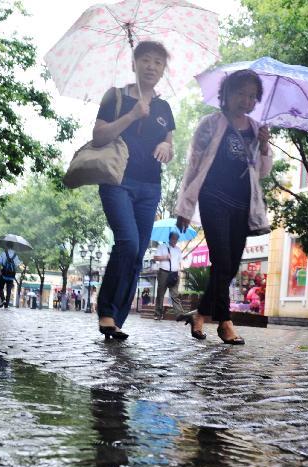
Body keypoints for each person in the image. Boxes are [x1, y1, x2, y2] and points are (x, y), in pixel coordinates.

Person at [175, 69, 273, 345]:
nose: (246, 100)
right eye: (240, 93)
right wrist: (184, 206)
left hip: (243, 204)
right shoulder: (210, 124)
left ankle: (201, 314)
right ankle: (225, 322)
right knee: (223, 261)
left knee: (229, 266)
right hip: (213, 197)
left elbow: (263, 172)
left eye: (252, 96)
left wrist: (264, 146)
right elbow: (193, 165)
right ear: (226, 94)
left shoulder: (256, 129)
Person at [92, 40, 175, 340]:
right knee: (127, 243)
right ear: (134, 63)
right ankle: (106, 312)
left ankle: (116, 318)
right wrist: (131, 116)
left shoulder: (164, 107)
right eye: (146, 60)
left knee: (138, 253)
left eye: (158, 62)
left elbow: (169, 144)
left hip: (150, 187)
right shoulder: (115, 97)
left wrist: (166, 146)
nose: (152, 66)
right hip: (117, 180)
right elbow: (99, 136)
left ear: (163, 69)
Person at [153, 231, 183, 321]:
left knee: (175, 295)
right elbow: (155, 257)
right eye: (174, 238)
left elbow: (180, 261)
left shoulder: (178, 249)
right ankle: (158, 314)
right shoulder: (162, 247)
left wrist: (179, 271)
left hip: (174, 274)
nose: (175, 240)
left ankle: (180, 315)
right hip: (164, 273)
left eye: (176, 239)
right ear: (170, 238)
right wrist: (165, 257)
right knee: (160, 294)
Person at [0, 244, 21, 308]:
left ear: (7, 246)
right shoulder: (15, 255)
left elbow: (0, 262)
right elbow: (17, 265)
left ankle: (3, 299)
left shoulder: (4, 253)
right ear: (12, 247)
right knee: (9, 290)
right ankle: (6, 305)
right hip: (11, 276)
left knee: (0, 288)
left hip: (4, 274)